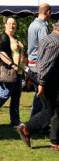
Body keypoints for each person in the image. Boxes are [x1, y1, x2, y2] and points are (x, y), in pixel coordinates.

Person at [17, 21, 59, 151]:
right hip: (49, 80)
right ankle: (55, 143)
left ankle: (27, 128)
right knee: (57, 110)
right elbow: (47, 65)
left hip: (40, 77)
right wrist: (42, 83)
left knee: (49, 110)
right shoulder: (56, 43)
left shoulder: (47, 39)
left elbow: (39, 61)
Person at [28, 3, 51, 118]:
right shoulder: (42, 26)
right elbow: (45, 47)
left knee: (39, 93)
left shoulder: (32, 24)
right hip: (39, 64)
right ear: (48, 12)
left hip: (32, 63)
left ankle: (35, 122)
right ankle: (34, 122)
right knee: (41, 94)